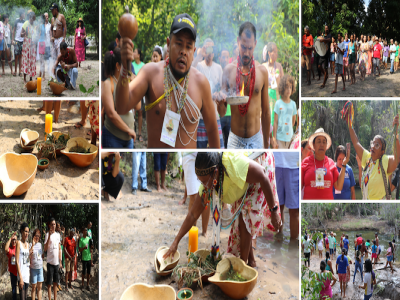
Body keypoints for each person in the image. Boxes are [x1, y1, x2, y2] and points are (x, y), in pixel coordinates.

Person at [116, 13, 220, 148]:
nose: (183, 51)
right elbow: (121, 107)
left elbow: (212, 129)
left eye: (188, 47)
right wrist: (125, 68)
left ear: (194, 52)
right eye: (178, 43)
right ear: (168, 44)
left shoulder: (201, 83)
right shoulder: (150, 73)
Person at [164, 152, 281, 267]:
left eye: (205, 182)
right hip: (244, 175)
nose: (204, 186)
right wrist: (176, 242)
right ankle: (251, 262)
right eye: (201, 182)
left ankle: (242, 267)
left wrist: (274, 210)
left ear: (215, 172)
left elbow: (263, 174)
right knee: (241, 215)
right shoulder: (208, 180)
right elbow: (192, 215)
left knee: (245, 215)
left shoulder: (234, 165)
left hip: (260, 165)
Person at [218, 22, 271, 149]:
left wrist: (266, 145)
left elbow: (265, 112)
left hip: (256, 139)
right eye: (243, 47)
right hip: (235, 140)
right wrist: (219, 101)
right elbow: (222, 112)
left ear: (255, 44)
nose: (246, 53)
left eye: (250, 48)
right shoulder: (228, 70)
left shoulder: (262, 72)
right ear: (237, 41)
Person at [347, 112, 399, 199]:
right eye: (372, 143)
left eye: (377, 145)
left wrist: (395, 133)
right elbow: (356, 142)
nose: (373, 147)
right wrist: (349, 122)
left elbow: (397, 157)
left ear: (382, 152)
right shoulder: (367, 158)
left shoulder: (385, 160)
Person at [192, 38, 225, 149]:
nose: (210, 51)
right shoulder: (199, 66)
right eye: (207, 48)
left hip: (215, 116)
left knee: (218, 150)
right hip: (201, 117)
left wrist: (218, 94)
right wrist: (200, 55)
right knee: (200, 152)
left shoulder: (218, 68)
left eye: (212, 48)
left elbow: (222, 89)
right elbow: (189, 71)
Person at [102, 48, 138, 148]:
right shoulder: (108, 84)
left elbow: (138, 106)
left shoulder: (127, 82)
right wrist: (128, 130)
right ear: (118, 66)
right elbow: (111, 113)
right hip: (112, 137)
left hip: (129, 139)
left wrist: (133, 82)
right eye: (125, 65)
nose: (129, 68)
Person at [301, 128, 347, 199]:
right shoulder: (305, 162)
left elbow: (339, 187)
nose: (322, 144)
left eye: (324, 142)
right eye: (319, 142)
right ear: (313, 145)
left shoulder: (331, 162)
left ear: (326, 146)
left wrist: (344, 165)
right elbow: (299, 187)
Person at [181, 152, 210, 235]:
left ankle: (204, 232)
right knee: (193, 196)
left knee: (206, 195)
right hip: (190, 154)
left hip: (205, 154)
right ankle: (192, 231)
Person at [274, 152, 299, 239]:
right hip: (276, 162)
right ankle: (278, 236)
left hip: (294, 165)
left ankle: (293, 244)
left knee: (294, 210)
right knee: (277, 206)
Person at [263, 42, 284, 127]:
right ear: (269, 53)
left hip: (277, 97)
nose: (276, 54)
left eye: (277, 52)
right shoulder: (263, 67)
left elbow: (283, 83)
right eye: (274, 52)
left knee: (277, 121)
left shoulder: (279, 66)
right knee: (267, 120)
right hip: (267, 98)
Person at [273, 75, 297, 149]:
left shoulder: (293, 104)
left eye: (290, 87)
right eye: (286, 87)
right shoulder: (278, 103)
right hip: (279, 138)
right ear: (282, 88)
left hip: (290, 138)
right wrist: (274, 138)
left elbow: (293, 122)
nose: (288, 89)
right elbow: (275, 122)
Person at [44, 218, 61, 300]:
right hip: (50, 263)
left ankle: (55, 299)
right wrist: (49, 237)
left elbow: (60, 248)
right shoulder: (47, 234)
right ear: (49, 225)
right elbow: (45, 249)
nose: (54, 226)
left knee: (55, 282)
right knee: (49, 283)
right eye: (52, 224)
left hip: (57, 263)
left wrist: (60, 262)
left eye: (54, 224)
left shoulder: (58, 235)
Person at [50, 3, 66, 78]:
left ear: (56, 9)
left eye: (52, 10)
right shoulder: (52, 19)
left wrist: (63, 38)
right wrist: (51, 36)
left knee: (60, 58)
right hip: (54, 41)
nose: (52, 12)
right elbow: (51, 29)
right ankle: (54, 77)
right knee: (53, 58)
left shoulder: (61, 16)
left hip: (60, 39)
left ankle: (64, 76)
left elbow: (65, 26)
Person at [21, 11, 36, 83]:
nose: (33, 20)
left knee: (32, 61)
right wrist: (24, 33)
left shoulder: (34, 25)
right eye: (32, 18)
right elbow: (21, 34)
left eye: (34, 19)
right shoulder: (26, 23)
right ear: (30, 18)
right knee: (26, 60)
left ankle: (30, 78)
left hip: (32, 45)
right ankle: (24, 78)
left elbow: (35, 35)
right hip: (26, 44)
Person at [16, 223, 30, 300]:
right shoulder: (19, 243)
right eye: (25, 231)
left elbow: (27, 260)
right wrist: (20, 278)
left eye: (28, 232)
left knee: (25, 297)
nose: (27, 233)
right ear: (21, 231)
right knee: (22, 298)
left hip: (27, 275)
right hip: (21, 276)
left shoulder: (28, 245)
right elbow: (17, 261)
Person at [30, 228, 44, 300]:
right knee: (34, 287)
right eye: (36, 235)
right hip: (33, 269)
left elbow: (42, 255)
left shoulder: (40, 245)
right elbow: (28, 255)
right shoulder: (30, 244)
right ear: (33, 236)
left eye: (38, 236)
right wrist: (32, 245)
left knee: (40, 287)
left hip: (40, 268)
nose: (37, 237)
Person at [5, 231, 18, 300]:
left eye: (15, 240)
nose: (14, 241)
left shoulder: (19, 248)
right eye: (13, 240)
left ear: (17, 240)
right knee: (13, 287)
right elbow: (5, 249)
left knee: (21, 286)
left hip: (19, 271)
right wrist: (10, 238)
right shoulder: (10, 249)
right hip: (12, 272)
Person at [13, 10, 25, 77]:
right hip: (17, 40)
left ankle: (20, 71)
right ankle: (15, 71)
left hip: (22, 41)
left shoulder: (24, 22)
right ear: (21, 14)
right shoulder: (16, 21)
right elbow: (14, 30)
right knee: (16, 56)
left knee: (20, 56)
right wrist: (12, 39)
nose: (24, 15)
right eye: (24, 14)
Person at [37, 14, 47, 80]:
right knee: (42, 60)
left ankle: (43, 76)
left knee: (41, 61)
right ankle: (41, 75)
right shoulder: (44, 26)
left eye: (40, 18)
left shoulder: (40, 26)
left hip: (41, 43)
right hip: (43, 42)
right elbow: (45, 35)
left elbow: (39, 34)